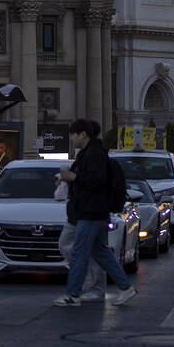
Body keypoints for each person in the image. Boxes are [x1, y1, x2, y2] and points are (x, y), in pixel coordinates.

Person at [52, 119, 136, 307]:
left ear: (83, 134)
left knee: (80, 252)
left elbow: (97, 180)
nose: (71, 138)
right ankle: (125, 287)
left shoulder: (95, 154)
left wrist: (73, 177)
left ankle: (73, 294)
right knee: (100, 252)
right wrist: (66, 178)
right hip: (92, 211)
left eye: (73, 134)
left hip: (91, 211)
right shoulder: (88, 153)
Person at [57, 173, 107, 303]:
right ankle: (83, 286)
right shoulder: (84, 160)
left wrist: (73, 178)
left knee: (92, 252)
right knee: (84, 250)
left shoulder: (94, 156)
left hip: (88, 214)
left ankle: (81, 290)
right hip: (78, 214)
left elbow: (94, 182)